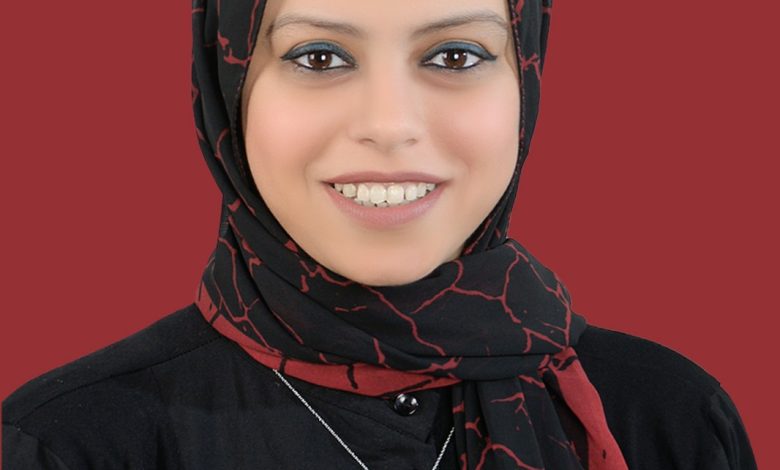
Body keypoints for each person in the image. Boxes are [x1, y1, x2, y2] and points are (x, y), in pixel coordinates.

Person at [2, 0, 757, 468]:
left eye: (455, 55)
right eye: (319, 56)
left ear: (524, 78)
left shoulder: (667, 419)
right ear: (228, 89)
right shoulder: (74, 443)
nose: (389, 124)